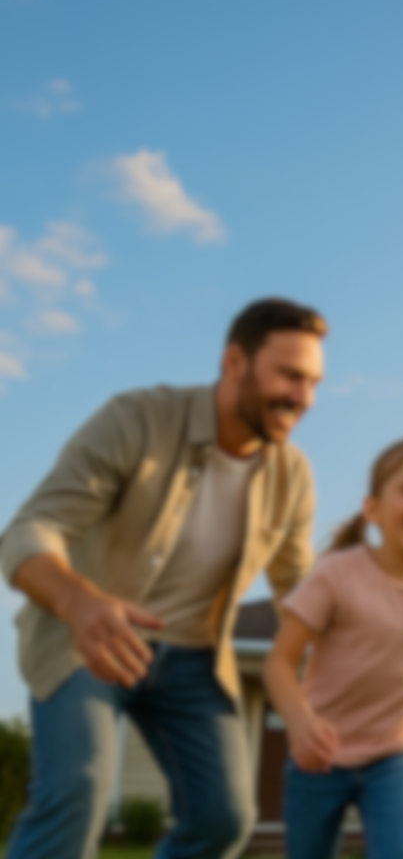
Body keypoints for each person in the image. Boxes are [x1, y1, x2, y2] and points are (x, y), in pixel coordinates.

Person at [0, 297, 328, 859]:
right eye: (290, 375)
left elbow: (301, 590)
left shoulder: (293, 476)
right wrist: (79, 602)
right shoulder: (137, 420)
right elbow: (30, 531)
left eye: (314, 381)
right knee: (76, 789)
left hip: (194, 659)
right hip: (87, 639)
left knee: (226, 819)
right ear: (234, 363)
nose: (304, 397)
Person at [263, 437, 403, 859]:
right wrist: (299, 720)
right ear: (373, 509)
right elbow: (278, 661)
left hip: (397, 754)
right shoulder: (336, 575)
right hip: (320, 753)